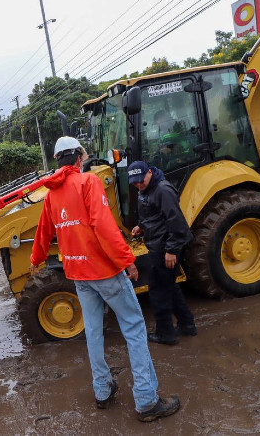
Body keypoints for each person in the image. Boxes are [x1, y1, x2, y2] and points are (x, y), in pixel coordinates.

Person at [30, 136, 180, 422]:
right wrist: (127, 260)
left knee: (94, 332)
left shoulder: (51, 195)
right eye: (83, 155)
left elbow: (43, 232)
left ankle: (102, 390)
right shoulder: (88, 183)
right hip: (104, 272)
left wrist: (35, 260)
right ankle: (147, 401)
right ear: (78, 158)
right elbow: (104, 225)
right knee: (134, 328)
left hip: (78, 275)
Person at [128, 160, 196, 345]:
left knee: (158, 291)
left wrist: (171, 250)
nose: (139, 184)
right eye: (135, 182)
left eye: (141, 180)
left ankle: (166, 334)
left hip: (166, 247)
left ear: (149, 172)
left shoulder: (163, 190)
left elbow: (177, 222)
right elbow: (153, 215)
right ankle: (187, 325)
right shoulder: (146, 190)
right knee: (169, 286)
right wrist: (141, 226)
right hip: (158, 243)